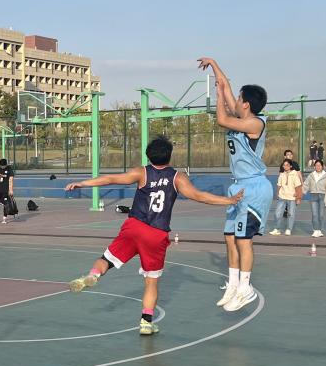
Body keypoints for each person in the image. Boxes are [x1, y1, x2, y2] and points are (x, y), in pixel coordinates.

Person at [65, 137, 242, 335]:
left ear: (148, 156)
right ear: (170, 155)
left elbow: (110, 179)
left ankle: (93, 275)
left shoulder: (142, 172)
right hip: (156, 234)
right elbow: (199, 196)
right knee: (151, 281)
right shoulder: (178, 177)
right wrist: (228, 200)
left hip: (134, 226)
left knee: (106, 259)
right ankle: (146, 323)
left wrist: (82, 183)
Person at [196, 56, 269, 312]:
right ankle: (234, 283)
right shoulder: (242, 117)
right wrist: (214, 64)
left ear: (246, 104)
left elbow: (222, 119)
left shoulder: (255, 123)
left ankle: (245, 288)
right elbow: (225, 86)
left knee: (243, 240)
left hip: (253, 187)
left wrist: (218, 98)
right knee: (230, 237)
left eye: (238, 98)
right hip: (237, 186)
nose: (234, 100)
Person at [269, 159, 302, 235]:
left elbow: (298, 187)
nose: (285, 166)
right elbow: (279, 185)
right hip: (282, 197)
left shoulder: (294, 174)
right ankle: (277, 229)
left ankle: (289, 229)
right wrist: (277, 193)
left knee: (291, 214)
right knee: (277, 213)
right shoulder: (282, 175)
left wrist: (298, 198)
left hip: (292, 198)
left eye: (287, 165)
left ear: (290, 166)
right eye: (284, 165)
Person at [304, 159, 326, 237]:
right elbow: (306, 185)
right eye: (316, 165)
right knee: (315, 214)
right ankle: (315, 229)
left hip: (322, 196)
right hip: (313, 196)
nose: (318, 167)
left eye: (319, 165)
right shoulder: (311, 175)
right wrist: (300, 193)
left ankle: (320, 229)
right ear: (314, 166)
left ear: (322, 166)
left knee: (321, 215)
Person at [0, 158, 15, 224]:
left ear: (6, 165)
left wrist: (11, 190)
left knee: (5, 204)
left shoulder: (9, 169)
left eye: (3, 166)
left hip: (6, 190)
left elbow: (11, 179)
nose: (2, 167)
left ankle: (4, 219)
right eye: (1, 166)